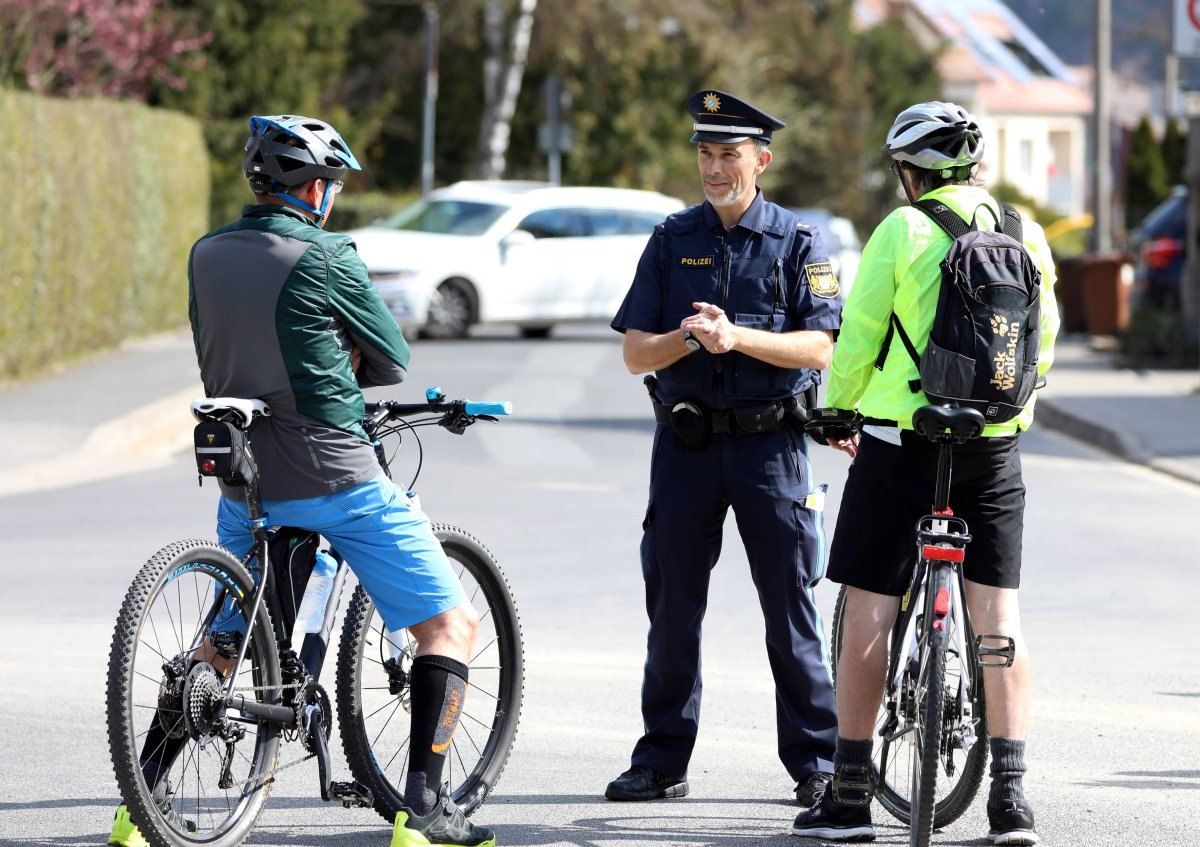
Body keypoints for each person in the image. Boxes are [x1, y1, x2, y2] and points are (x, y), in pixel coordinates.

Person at [108, 115, 496, 847]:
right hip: (332, 472)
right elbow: (390, 357)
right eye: (331, 185)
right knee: (451, 624)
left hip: (240, 474)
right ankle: (424, 809)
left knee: (223, 642)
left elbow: (218, 346)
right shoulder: (326, 253)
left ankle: (140, 804)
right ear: (313, 189)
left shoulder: (206, 253)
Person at [791, 101, 1058, 846]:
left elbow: (861, 333)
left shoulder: (903, 229)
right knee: (998, 617)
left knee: (869, 599)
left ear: (911, 172)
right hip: (994, 444)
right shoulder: (1023, 228)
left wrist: (838, 409)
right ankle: (1010, 799)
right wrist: (1013, 411)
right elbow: (1046, 339)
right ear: (972, 167)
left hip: (907, 441)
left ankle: (848, 797)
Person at [605, 89, 843, 807]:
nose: (713, 167)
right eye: (705, 154)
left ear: (761, 160)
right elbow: (634, 353)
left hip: (771, 447)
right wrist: (688, 335)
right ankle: (661, 760)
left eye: (729, 155)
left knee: (789, 610)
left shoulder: (799, 242)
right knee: (672, 608)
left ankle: (817, 762)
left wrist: (737, 336)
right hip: (686, 446)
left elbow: (819, 345)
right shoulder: (672, 238)